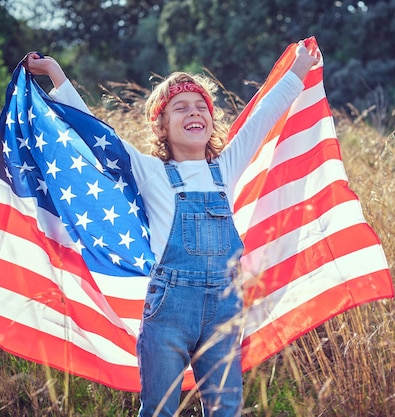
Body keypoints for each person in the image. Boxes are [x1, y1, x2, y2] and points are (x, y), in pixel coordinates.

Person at [25, 42, 319, 417]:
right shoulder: (150, 172)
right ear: (161, 126)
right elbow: (91, 131)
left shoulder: (225, 168)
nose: (193, 112)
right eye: (180, 108)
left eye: (201, 108)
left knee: (225, 408)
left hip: (224, 310)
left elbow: (264, 115)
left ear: (212, 121)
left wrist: (300, 69)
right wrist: (56, 75)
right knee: (159, 409)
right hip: (168, 312)